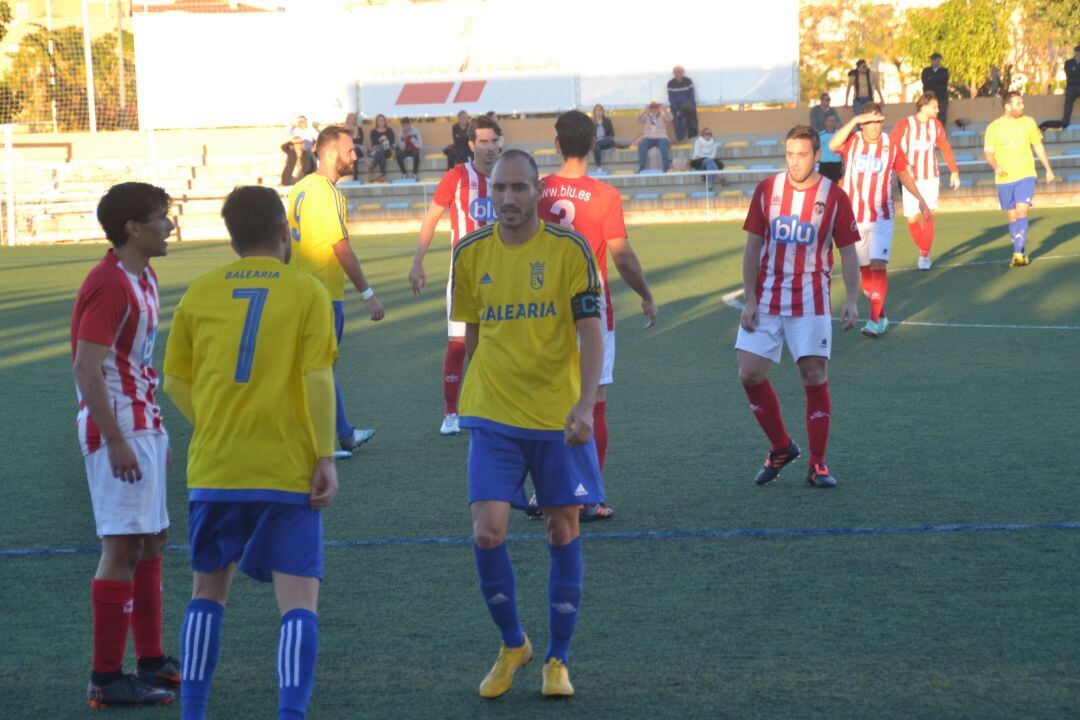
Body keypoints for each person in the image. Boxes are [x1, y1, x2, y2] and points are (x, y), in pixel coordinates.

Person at [163, 185, 340, 720]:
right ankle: (291, 714)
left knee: (207, 592)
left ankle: (192, 712)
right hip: (286, 468)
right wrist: (325, 456)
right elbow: (317, 377)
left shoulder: (199, 291)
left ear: (232, 238)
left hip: (216, 467)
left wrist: (215, 421)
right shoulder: (306, 291)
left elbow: (174, 380)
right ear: (285, 232)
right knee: (298, 604)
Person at [451, 149, 604, 699]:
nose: (509, 199)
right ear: (488, 193)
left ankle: (558, 660)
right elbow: (470, 331)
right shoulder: (468, 253)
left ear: (537, 191)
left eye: (519, 188)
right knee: (487, 531)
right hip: (493, 414)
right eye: (499, 190)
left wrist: (585, 404)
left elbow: (590, 330)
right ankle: (513, 643)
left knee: (561, 529)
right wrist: (470, 393)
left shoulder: (569, 249)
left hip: (556, 416)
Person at [73, 182, 178, 708]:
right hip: (118, 429)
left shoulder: (145, 275)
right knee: (120, 549)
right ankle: (107, 677)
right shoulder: (109, 284)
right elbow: (86, 368)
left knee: (153, 539)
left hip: (142, 424)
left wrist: (156, 431)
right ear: (133, 228)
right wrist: (115, 440)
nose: (169, 225)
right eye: (161, 216)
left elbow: (135, 365)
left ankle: (152, 659)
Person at [535, 109, 658, 521]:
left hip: (542, 311)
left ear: (556, 144)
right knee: (595, 399)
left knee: (550, 400)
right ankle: (589, 495)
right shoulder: (605, 196)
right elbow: (621, 256)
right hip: (591, 310)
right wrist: (645, 294)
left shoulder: (537, 190)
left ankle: (546, 492)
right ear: (592, 145)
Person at [736, 126, 861, 489]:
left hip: (811, 299)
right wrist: (750, 297)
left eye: (802, 154)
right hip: (768, 296)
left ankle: (817, 464)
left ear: (817, 155)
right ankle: (781, 447)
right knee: (749, 373)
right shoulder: (767, 190)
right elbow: (752, 247)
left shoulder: (833, 196)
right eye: (789, 154)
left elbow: (849, 250)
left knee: (813, 376)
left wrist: (852, 298)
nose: (794, 161)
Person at [288, 126, 385, 455]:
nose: (355, 156)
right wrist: (368, 293)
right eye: (350, 151)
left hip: (299, 292)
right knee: (318, 367)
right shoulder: (327, 194)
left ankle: (340, 434)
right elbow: (340, 248)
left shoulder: (299, 189)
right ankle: (327, 440)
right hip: (323, 296)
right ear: (330, 154)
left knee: (313, 366)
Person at [409, 114, 503, 435]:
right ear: (471, 145)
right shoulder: (457, 176)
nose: (490, 148)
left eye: (494, 141)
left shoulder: (509, 176)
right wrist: (418, 261)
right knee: (459, 344)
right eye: (484, 142)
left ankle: (495, 405)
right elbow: (432, 218)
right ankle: (452, 412)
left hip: (506, 276)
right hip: (464, 277)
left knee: (503, 342)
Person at [829, 103, 932, 337]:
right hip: (854, 217)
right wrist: (855, 121)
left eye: (877, 121)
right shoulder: (852, 141)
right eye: (868, 122)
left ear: (882, 122)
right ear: (862, 123)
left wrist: (921, 199)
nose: (873, 127)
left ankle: (874, 321)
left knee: (877, 265)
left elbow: (904, 173)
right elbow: (833, 144)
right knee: (864, 271)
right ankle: (882, 315)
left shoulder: (891, 145)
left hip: (882, 217)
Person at [889, 92, 961, 270]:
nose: (938, 110)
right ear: (925, 106)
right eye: (935, 106)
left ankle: (923, 255)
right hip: (910, 179)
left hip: (930, 177)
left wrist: (954, 172)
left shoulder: (936, 126)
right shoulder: (905, 124)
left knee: (929, 214)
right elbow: (891, 145)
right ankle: (925, 248)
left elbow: (945, 148)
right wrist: (902, 164)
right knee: (913, 219)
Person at [983, 91, 1056, 266]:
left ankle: (1017, 252)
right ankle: (1021, 251)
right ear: (1008, 106)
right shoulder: (994, 127)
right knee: (1013, 217)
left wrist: (1048, 168)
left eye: (1022, 103)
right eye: (1018, 103)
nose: (1022, 106)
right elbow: (988, 153)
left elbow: (1038, 146)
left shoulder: (1029, 123)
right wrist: (996, 166)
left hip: (1026, 175)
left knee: (1022, 211)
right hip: (1004, 179)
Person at [636, 102, 672, 172]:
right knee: (643, 145)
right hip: (648, 138)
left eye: (656, 109)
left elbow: (670, 118)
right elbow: (638, 118)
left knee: (663, 146)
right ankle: (641, 168)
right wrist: (645, 110)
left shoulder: (662, 115)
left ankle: (667, 168)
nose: (654, 111)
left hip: (661, 137)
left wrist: (663, 109)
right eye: (652, 109)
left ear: (658, 109)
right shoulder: (646, 116)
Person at [667, 65, 698, 142]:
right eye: (676, 72)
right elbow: (671, 97)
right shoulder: (670, 83)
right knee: (676, 123)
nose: (678, 73)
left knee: (683, 122)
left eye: (680, 72)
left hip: (685, 107)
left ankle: (680, 138)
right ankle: (679, 138)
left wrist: (684, 107)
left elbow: (691, 94)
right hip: (675, 107)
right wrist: (676, 109)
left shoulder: (688, 81)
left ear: (682, 72)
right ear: (674, 73)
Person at [690, 126, 724, 191]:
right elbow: (697, 154)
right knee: (709, 160)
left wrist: (706, 158)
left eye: (710, 134)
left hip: (709, 162)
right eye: (706, 134)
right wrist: (706, 158)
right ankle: (720, 176)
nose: (708, 135)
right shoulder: (698, 141)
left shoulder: (713, 143)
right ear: (703, 135)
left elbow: (713, 155)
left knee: (709, 165)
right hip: (699, 163)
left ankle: (710, 185)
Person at [921, 53, 950, 126]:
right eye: (933, 60)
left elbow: (944, 82)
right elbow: (925, 82)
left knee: (941, 115)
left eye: (937, 60)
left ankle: (940, 131)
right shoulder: (926, 71)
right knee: (929, 114)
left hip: (941, 97)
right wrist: (937, 81)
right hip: (929, 97)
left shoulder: (944, 71)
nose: (935, 62)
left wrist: (932, 80)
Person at [817, 114, 843, 182]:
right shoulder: (820, 135)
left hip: (837, 165)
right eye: (830, 121)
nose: (832, 122)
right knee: (824, 186)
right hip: (824, 165)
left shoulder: (840, 134)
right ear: (825, 122)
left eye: (834, 121)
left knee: (836, 186)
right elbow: (816, 150)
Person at [368, 114, 395, 179]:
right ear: (376, 122)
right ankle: (382, 175)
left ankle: (373, 165)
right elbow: (374, 143)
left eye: (382, 120)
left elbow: (392, 142)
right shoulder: (373, 132)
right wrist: (380, 140)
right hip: (376, 151)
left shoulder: (389, 130)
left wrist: (386, 140)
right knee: (382, 154)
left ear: (385, 121)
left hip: (387, 150)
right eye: (379, 120)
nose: (381, 122)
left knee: (382, 149)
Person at [1062, 45, 1080, 129]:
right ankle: (1065, 122)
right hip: (1071, 88)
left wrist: (1075, 69)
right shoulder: (1068, 63)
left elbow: (1074, 73)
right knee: (1068, 104)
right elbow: (1070, 74)